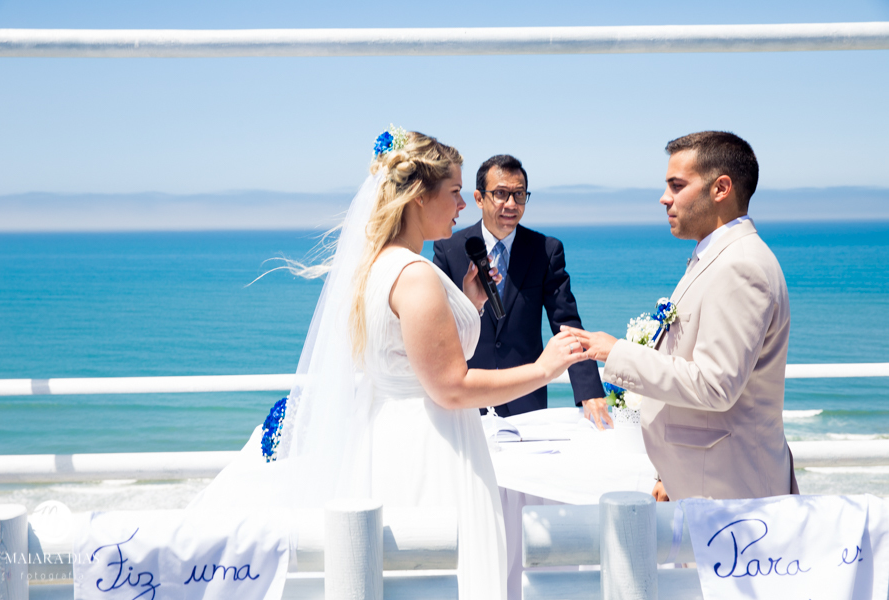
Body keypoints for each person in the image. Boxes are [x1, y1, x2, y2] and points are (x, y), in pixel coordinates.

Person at [191, 129, 592, 600]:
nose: (462, 206)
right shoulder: (416, 275)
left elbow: (406, 353)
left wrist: (469, 304)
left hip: (386, 439)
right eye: (455, 192)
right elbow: (451, 387)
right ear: (420, 197)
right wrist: (546, 368)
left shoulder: (376, 266)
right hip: (433, 446)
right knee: (441, 574)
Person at [569, 131, 799, 501]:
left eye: (677, 186)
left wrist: (617, 353)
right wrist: (668, 475)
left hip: (730, 493)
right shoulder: (716, 258)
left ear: (720, 188)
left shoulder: (741, 267)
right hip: (700, 481)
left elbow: (715, 385)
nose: (665, 199)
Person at [433, 154, 608, 421]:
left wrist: (589, 390)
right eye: (501, 194)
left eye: (520, 194)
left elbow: (567, 323)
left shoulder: (546, 250)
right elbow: (439, 325)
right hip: (467, 400)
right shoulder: (450, 249)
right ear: (479, 198)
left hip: (526, 399)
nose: (511, 204)